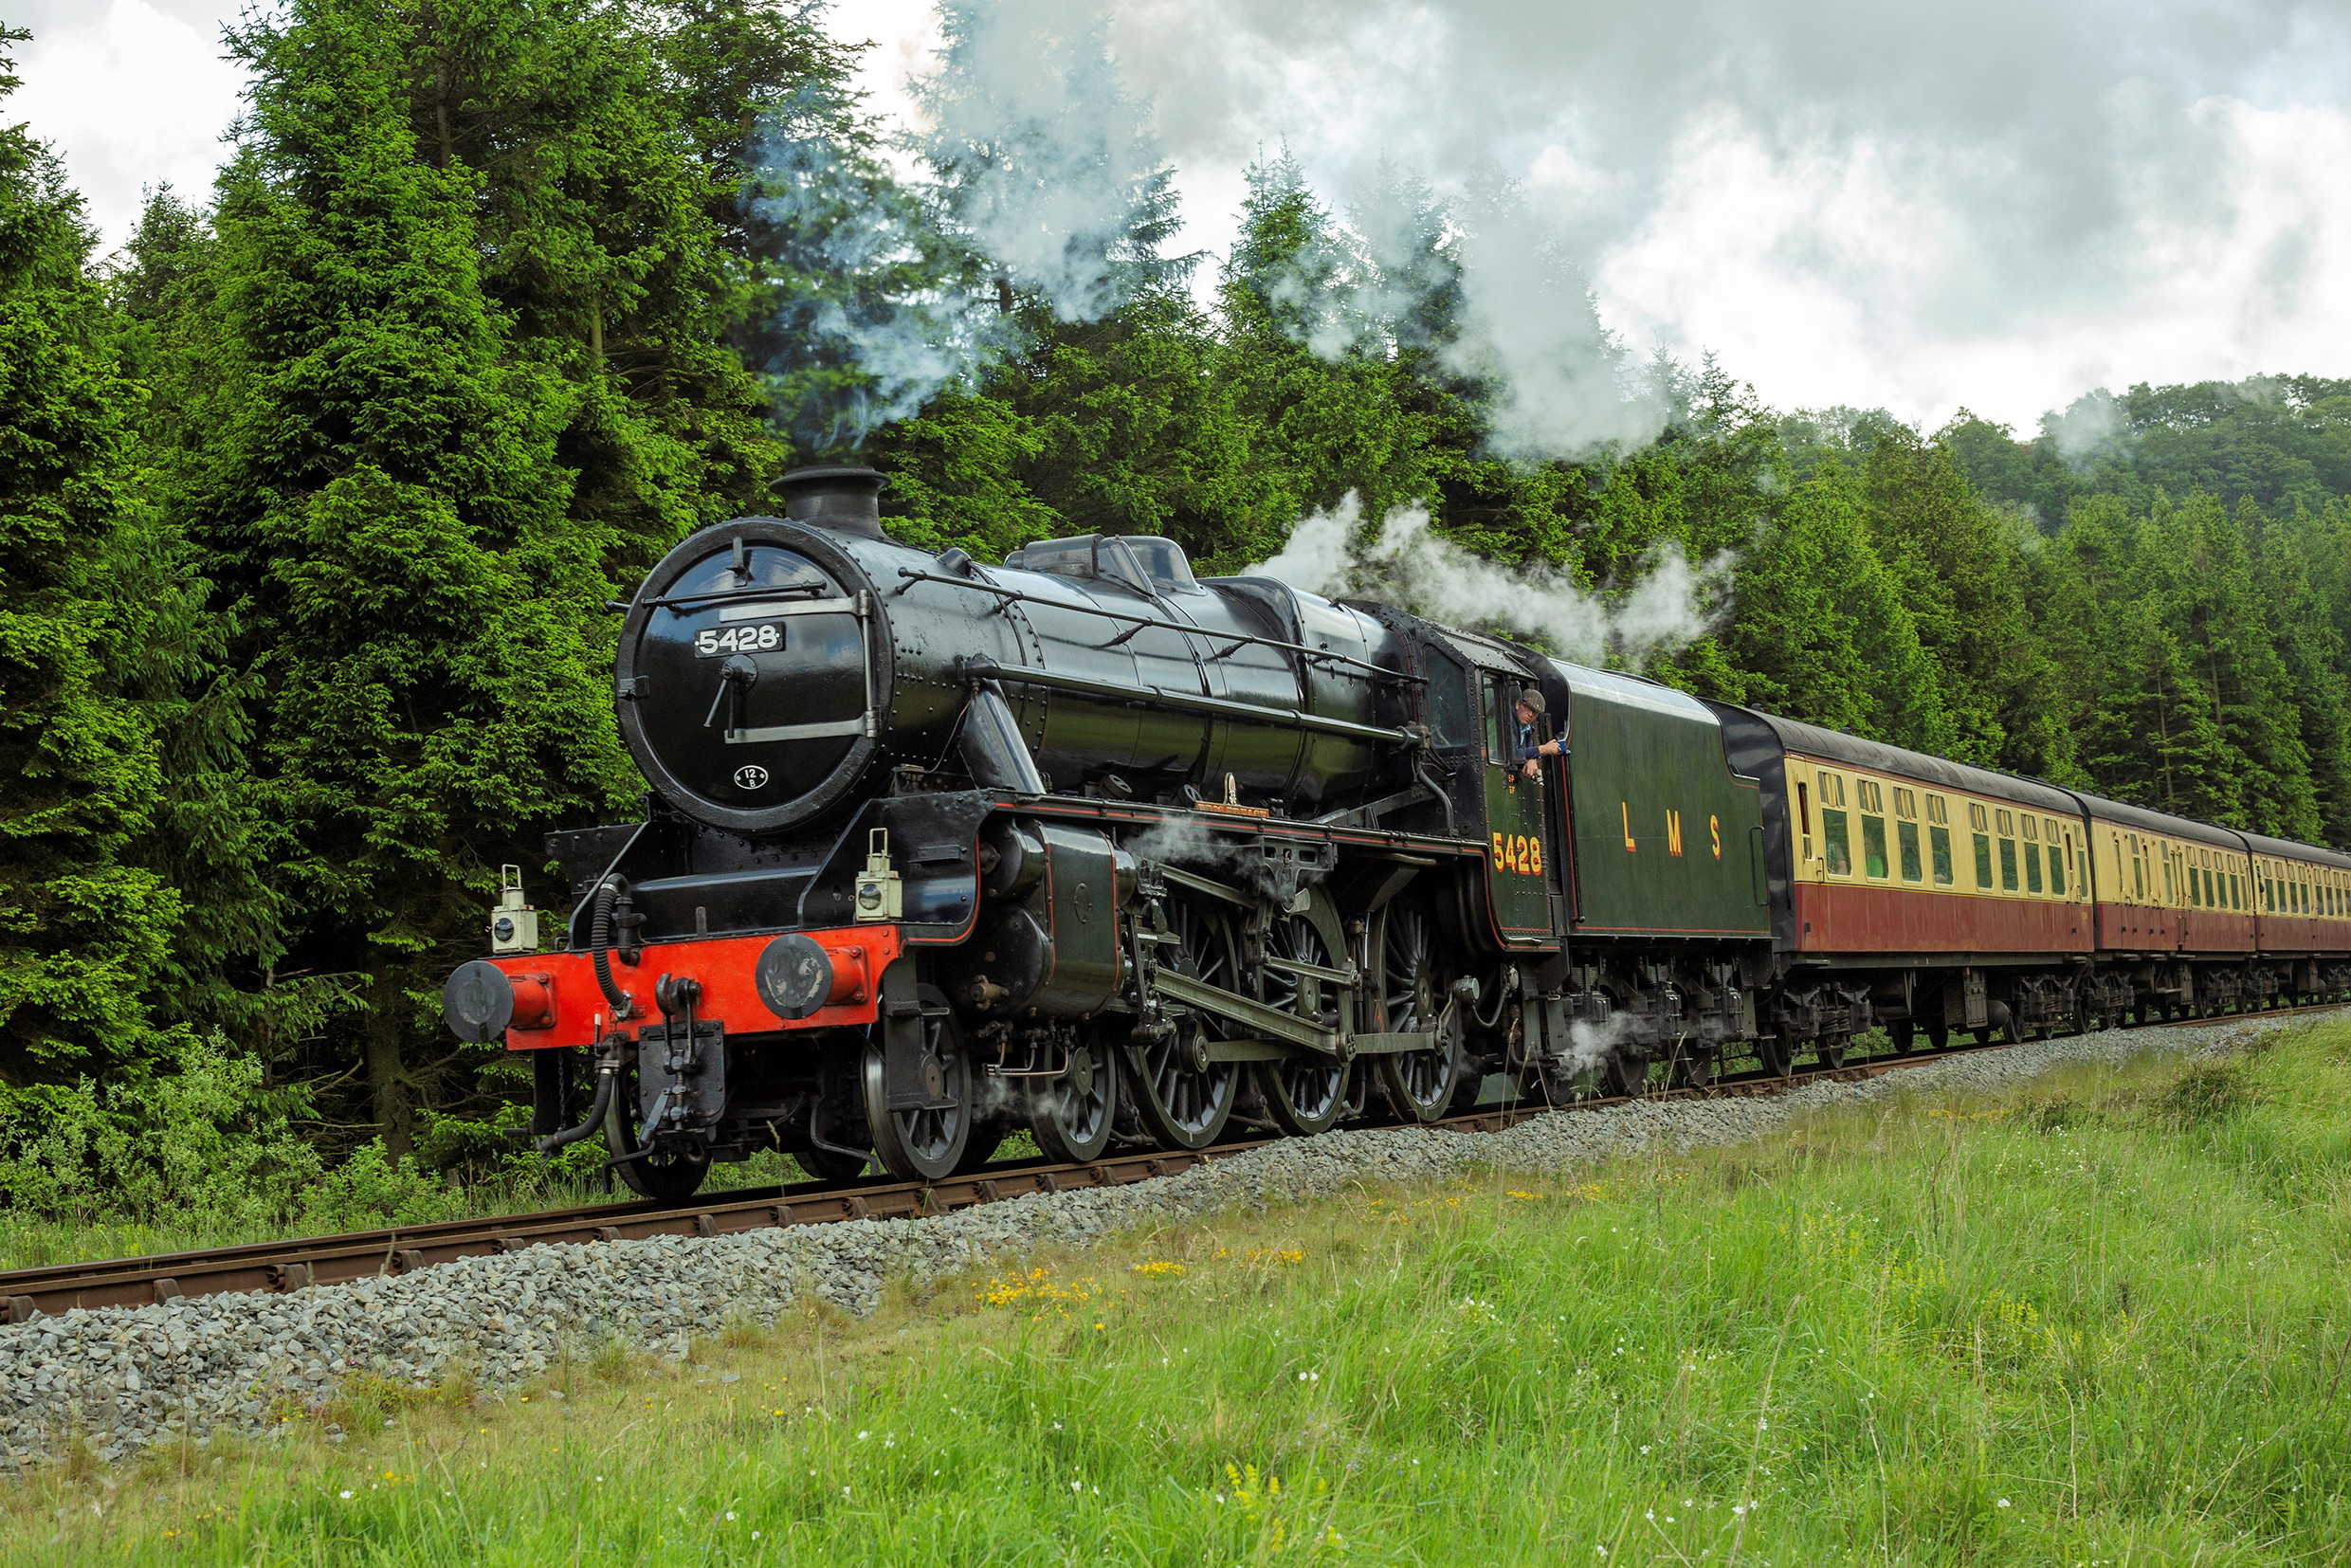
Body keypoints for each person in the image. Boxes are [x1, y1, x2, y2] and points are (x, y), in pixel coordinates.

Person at [1513, 687, 1563, 779]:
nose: (1530, 715)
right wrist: (1543, 749)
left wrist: (1532, 759)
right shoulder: (1507, 722)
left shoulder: (1527, 728)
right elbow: (1512, 754)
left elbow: (1527, 750)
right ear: (1517, 704)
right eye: (1527, 708)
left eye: (1535, 712)